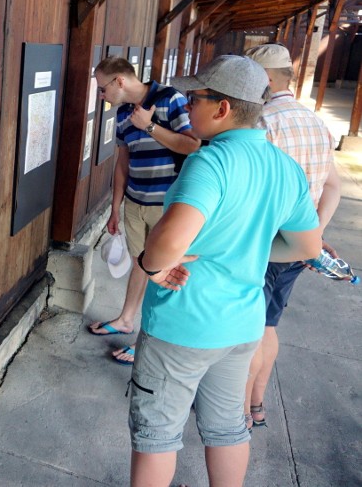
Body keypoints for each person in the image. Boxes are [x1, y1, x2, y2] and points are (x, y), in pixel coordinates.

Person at [129, 55, 322, 486]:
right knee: (226, 427)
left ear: (222, 108)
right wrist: (246, 247)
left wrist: (150, 265)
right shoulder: (284, 167)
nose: (186, 104)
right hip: (242, 326)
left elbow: (170, 241)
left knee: (157, 435)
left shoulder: (210, 163)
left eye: (194, 97)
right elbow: (305, 245)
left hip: (185, 322)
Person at [242, 43, 341, 429]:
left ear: (265, 80)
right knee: (269, 326)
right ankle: (257, 405)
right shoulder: (316, 122)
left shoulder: (263, 124)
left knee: (249, 331)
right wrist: (314, 235)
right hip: (299, 249)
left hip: (263, 247)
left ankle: (236, 413)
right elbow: (332, 185)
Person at [88, 57, 201, 366]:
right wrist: (115, 207)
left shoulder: (170, 98)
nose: (101, 95)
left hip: (167, 206)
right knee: (141, 264)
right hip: (136, 203)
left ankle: (147, 341)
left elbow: (192, 145)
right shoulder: (123, 113)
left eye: (102, 88)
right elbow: (123, 162)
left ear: (119, 82)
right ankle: (126, 319)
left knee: (162, 272)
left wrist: (149, 126)